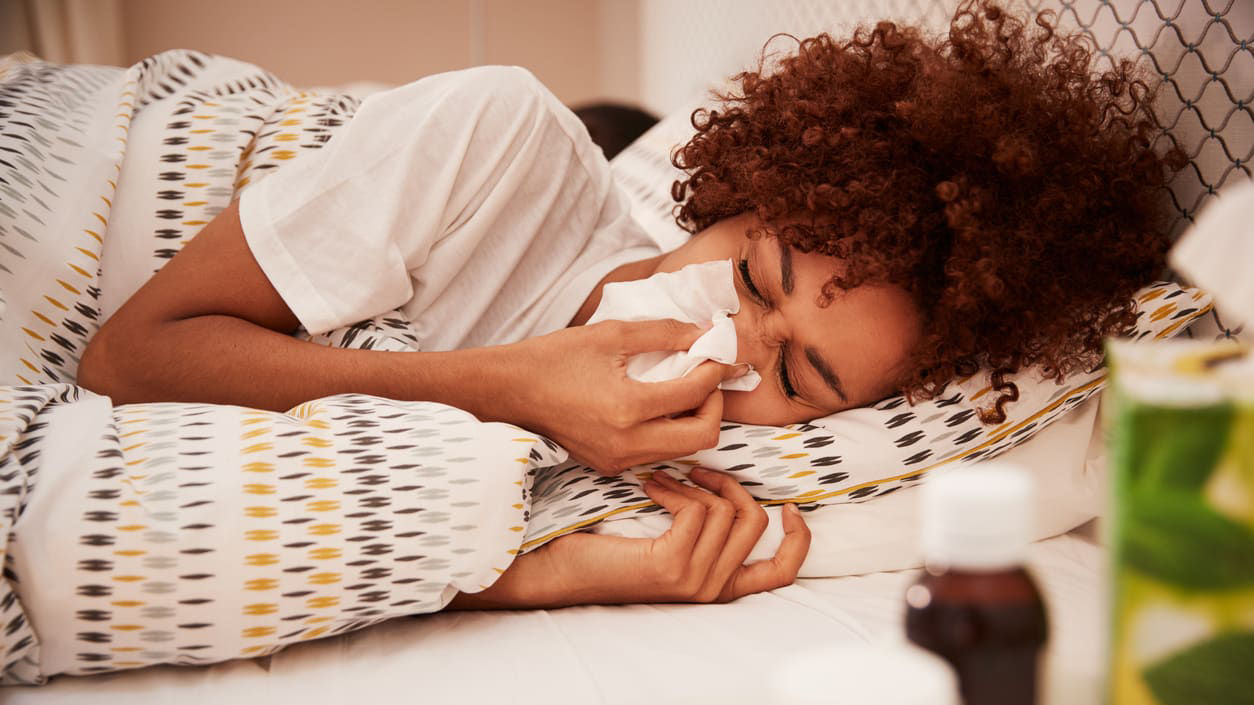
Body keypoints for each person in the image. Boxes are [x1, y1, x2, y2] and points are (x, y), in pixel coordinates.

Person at [75, 1, 1180, 607]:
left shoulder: (674, 477)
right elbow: (124, 360)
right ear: (744, 188)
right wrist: (509, 388)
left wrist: (565, 575)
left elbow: (344, 534)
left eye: (798, 376)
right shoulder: (498, 140)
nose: (733, 345)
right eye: (754, 279)